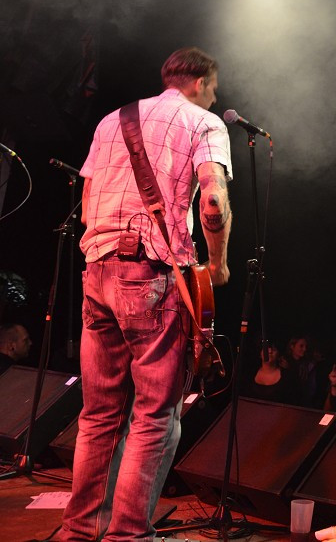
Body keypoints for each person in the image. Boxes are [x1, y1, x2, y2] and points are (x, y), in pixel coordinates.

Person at [61, 47, 232, 542]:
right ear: (199, 82)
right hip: (152, 274)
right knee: (156, 412)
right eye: (214, 89)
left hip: (98, 271)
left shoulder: (113, 120)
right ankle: (128, 533)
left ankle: (80, 530)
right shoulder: (204, 122)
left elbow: (89, 206)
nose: (214, 97)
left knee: (98, 414)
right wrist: (216, 265)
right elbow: (214, 200)